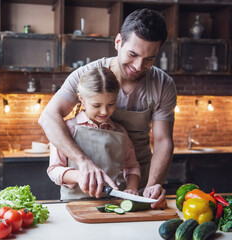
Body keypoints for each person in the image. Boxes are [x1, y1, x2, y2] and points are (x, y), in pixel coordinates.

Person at [39, 8, 176, 208]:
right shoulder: (86, 76)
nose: (138, 66)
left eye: (149, 58)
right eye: (133, 54)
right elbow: (48, 117)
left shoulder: (163, 84)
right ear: (118, 42)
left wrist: (152, 184)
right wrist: (83, 163)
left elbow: (163, 142)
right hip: (84, 188)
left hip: (136, 182)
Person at [47, 67, 141, 200]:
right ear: (82, 99)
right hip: (73, 205)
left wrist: (132, 187)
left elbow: (131, 167)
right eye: (97, 105)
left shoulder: (120, 132)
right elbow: (54, 170)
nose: (104, 111)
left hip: (111, 204)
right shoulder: (67, 129)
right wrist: (79, 176)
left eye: (111, 104)